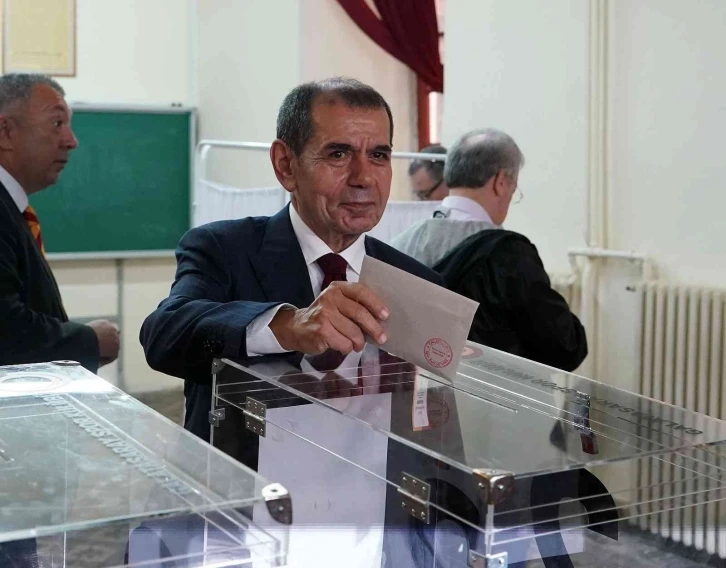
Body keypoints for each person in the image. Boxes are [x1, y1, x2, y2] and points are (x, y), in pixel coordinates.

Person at [140, 78, 441, 441]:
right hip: (246, 473)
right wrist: (287, 325)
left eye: (378, 155)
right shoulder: (223, 248)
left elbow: (433, 425)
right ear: (285, 165)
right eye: (338, 154)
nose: (364, 178)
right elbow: (164, 335)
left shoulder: (416, 282)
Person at [391, 128, 587, 371]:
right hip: (488, 392)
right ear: (501, 182)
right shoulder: (508, 255)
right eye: (514, 189)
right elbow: (565, 348)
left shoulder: (400, 244)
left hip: (417, 389)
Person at [0, 73, 119, 372]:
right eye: (57, 123)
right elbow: (7, 332)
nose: (71, 141)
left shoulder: (12, 209)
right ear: (5, 132)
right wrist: (89, 340)